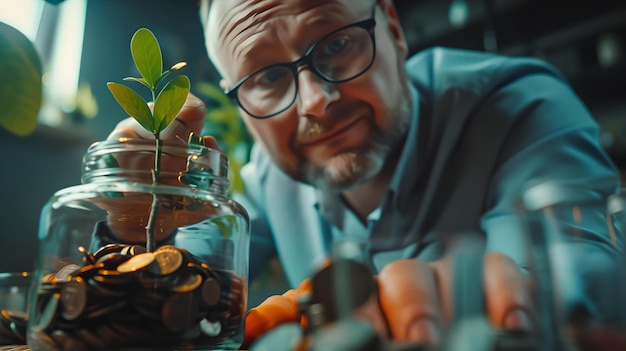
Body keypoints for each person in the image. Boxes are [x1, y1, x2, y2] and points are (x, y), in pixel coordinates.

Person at [107, 0, 623, 348]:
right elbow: (173, 296)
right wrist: (128, 226)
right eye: (266, 77)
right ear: (239, 102)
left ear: (393, 29)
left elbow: (579, 278)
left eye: (335, 44)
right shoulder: (266, 179)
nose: (316, 103)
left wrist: (497, 299)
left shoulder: (521, 106)